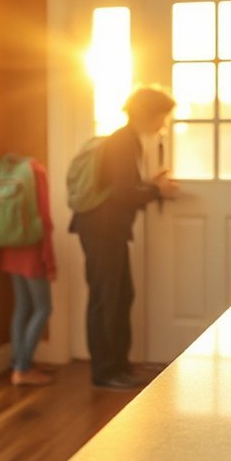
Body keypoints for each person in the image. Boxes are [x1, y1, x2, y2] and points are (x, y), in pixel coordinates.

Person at [69, 88, 179, 390]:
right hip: (102, 230)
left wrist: (149, 184)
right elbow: (121, 194)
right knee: (107, 300)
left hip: (105, 229)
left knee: (119, 296)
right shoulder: (123, 141)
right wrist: (157, 190)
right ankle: (106, 372)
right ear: (150, 114)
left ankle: (119, 365)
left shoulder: (125, 139)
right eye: (162, 116)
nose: (163, 124)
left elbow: (119, 185)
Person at [0, 158, 57, 386]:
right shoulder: (36, 172)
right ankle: (23, 368)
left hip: (10, 248)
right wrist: (49, 260)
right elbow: (45, 218)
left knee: (22, 306)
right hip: (31, 250)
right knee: (43, 308)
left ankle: (18, 361)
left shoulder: (6, 170)